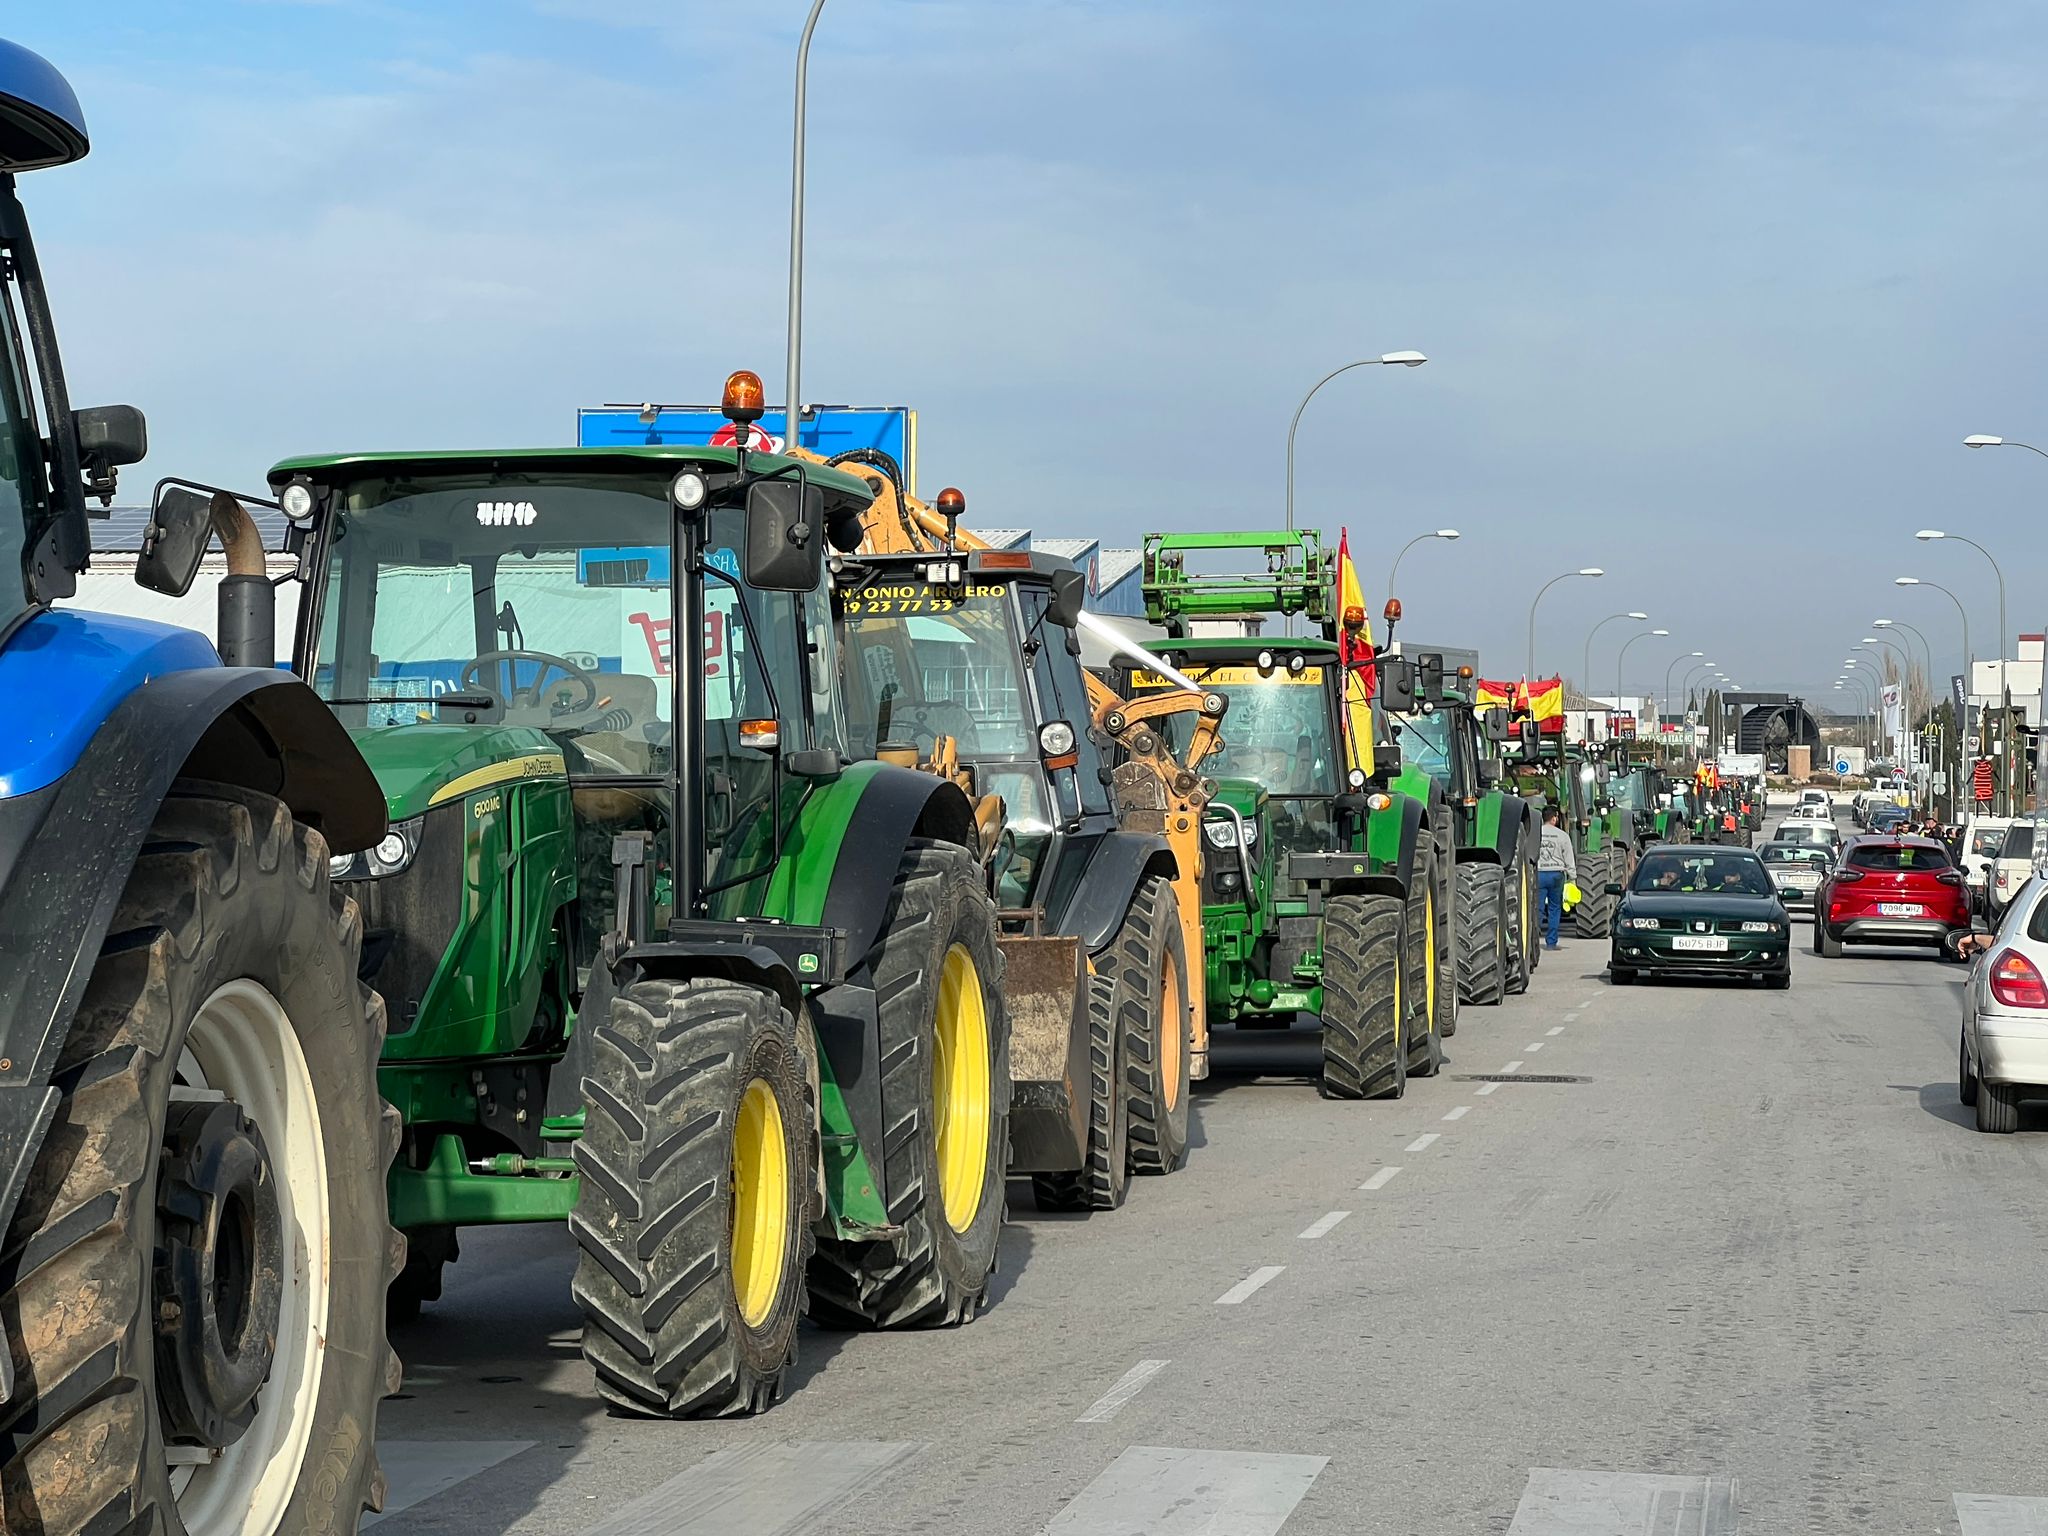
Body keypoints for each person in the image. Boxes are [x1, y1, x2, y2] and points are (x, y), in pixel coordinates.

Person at [1537, 806, 1576, 949]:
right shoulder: (1562, 835)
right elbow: (1569, 858)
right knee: (1554, 908)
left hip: (1539, 873)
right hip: (1556, 874)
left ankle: (1534, 938)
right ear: (1554, 818)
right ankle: (1551, 941)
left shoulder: (1536, 833)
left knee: (1538, 908)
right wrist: (1572, 877)